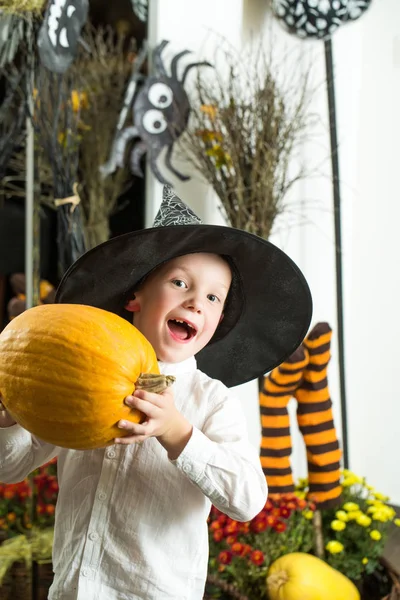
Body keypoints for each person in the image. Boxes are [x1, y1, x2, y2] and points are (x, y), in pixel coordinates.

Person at [0, 185, 312, 600]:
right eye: (180, 283)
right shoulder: (74, 377)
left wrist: (179, 433)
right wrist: (10, 417)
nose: (196, 302)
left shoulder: (210, 401)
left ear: (216, 322)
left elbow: (248, 500)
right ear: (136, 296)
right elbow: (10, 467)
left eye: (213, 297)